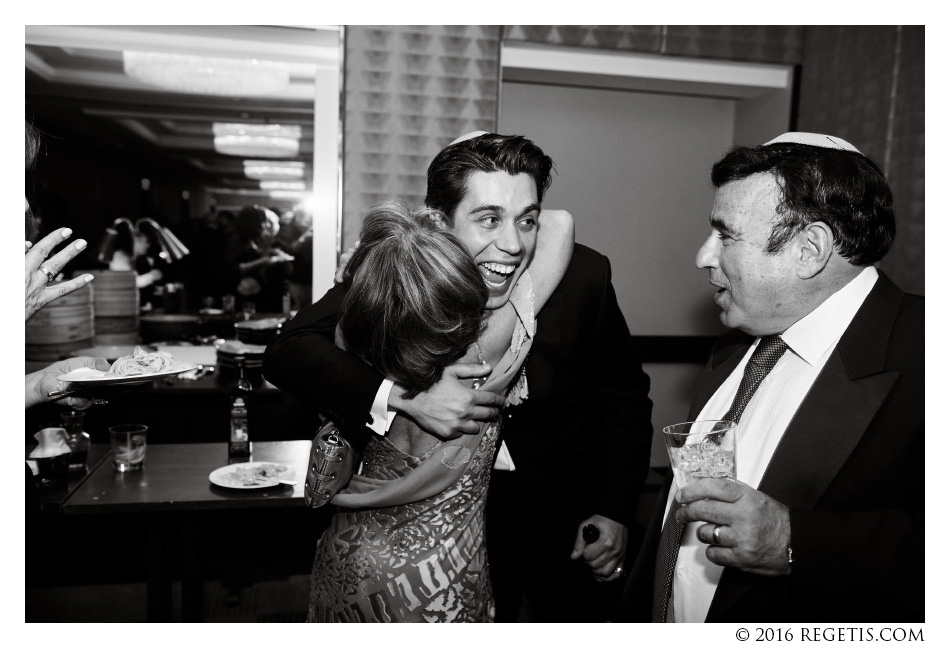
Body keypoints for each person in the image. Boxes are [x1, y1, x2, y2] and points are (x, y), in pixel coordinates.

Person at [264, 132, 654, 622]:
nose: (512, 245)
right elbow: (287, 352)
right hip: (430, 522)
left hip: (562, 508)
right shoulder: (400, 274)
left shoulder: (582, 275)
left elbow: (625, 398)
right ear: (439, 221)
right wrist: (409, 394)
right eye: (488, 218)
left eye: (527, 219)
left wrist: (615, 509)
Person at [619, 132, 924, 622]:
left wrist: (793, 541)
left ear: (810, 249)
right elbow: (701, 486)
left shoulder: (924, 355)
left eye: (726, 235)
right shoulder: (735, 343)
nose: (703, 256)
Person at [307, 199, 572, 621]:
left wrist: (388, 245)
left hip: (349, 553)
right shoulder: (483, 352)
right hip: (433, 572)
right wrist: (448, 223)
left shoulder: (350, 337)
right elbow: (558, 223)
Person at [224, 205, 294, 313]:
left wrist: (269, 253)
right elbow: (232, 269)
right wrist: (263, 261)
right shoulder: (236, 240)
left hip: (252, 295)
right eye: (263, 221)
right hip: (241, 296)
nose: (266, 225)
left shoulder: (249, 240)